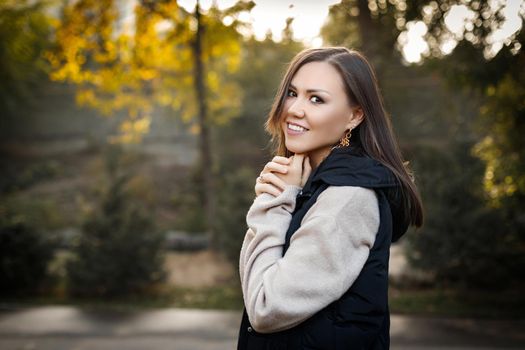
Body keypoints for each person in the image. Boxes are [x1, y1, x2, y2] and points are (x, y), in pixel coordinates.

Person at [237, 46, 424, 350]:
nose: (295, 109)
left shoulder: (347, 199)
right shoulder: (313, 185)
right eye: (291, 93)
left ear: (354, 115)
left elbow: (265, 308)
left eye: (316, 99)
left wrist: (273, 204)